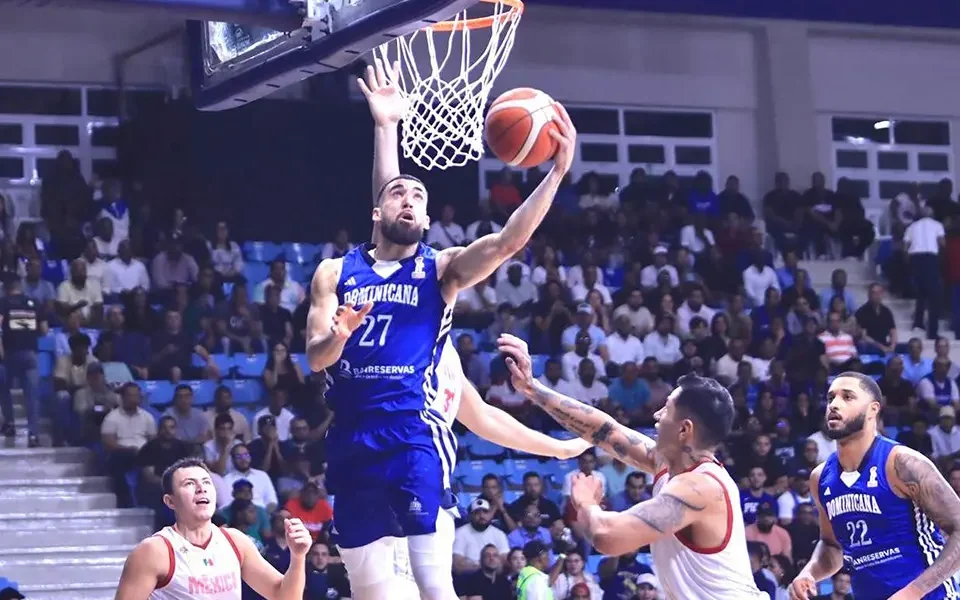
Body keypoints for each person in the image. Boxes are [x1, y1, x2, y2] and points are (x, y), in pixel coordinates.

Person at [304, 56, 576, 600]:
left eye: (420, 198)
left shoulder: (441, 270)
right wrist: (338, 335)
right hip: (353, 440)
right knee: (369, 591)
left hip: (413, 436)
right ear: (376, 213)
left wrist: (555, 175)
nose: (410, 200)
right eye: (399, 195)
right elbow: (315, 359)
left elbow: (506, 243)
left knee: (434, 585)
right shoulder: (334, 273)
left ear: (428, 222)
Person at [497, 333, 766, 599]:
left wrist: (586, 503)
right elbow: (606, 431)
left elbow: (607, 537)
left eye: (667, 409)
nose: (657, 415)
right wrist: (532, 388)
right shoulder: (670, 462)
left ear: (685, 430)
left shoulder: (701, 487)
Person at [790, 372, 960, 600]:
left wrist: (914, 591)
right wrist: (809, 574)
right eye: (831, 398)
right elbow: (832, 546)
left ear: (873, 410)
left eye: (847, 397)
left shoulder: (901, 463)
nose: (834, 405)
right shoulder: (820, 478)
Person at [113, 457, 313, 599]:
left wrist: (298, 557)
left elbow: (284, 596)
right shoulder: (154, 551)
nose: (201, 488)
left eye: (206, 482)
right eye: (189, 483)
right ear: (170, 501)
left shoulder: (235, 541)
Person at [0, 278, 45, 446]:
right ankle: (33, 435)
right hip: (30, 353)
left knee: (3, 388)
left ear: (6, 289)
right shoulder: (34, 303)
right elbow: (44, 329)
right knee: (32, 396)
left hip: (9, 353)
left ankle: (10, 424)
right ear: (20, 287)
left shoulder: (2, 303)